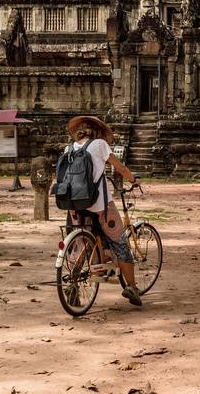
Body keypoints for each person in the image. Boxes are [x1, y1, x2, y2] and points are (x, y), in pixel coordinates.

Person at [64, 115, 144, 306]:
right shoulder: (100, 145)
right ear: (97, 132)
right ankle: (132, 287)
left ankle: (73, 285)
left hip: (75, 205)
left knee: (81, 243)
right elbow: (120, 168)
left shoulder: (69, 148)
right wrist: (134, 180)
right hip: (100, 205)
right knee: (120, 242)